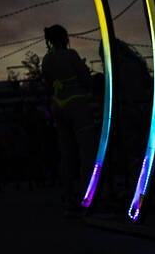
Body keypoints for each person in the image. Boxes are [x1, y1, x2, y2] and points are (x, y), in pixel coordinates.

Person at [42, 24, 96, 216]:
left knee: (66, 153)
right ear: (64, 37)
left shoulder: (47, 59)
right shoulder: (71, 55)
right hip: (76, 103)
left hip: (58, 105)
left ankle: (68, 195)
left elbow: (47, 83)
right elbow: (86, 79)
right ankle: (87, 195)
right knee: (86, 151)